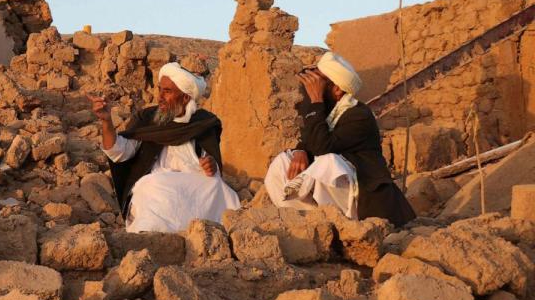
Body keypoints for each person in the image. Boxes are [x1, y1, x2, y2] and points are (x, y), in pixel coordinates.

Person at [265, 51, 416, 227]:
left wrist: (316, 100)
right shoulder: (328, 108)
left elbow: (323, 147)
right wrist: (300, 150)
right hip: (335, 192)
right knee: (283, 161)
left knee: (328, 163)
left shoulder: (359, 115)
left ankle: (340, 224)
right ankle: (308, 221)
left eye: (319, 82)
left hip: (362, 195)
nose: (313, 86)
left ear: (337, 89)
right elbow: (311, 135)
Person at [89, 62, 240, 232]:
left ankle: (207, 230)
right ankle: (153, 233)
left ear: (185, 98)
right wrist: (106, 121)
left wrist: (211, 167)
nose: (160, 97)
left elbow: (211, 164)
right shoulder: (147, 118)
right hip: (158, 186)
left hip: (191, 185)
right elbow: (118, 152)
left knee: (217, 187)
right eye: (160, 89)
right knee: (155, 185)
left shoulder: (202, 122)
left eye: (167, 91)